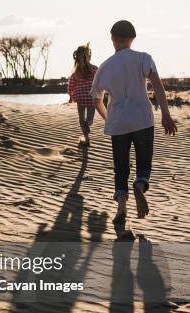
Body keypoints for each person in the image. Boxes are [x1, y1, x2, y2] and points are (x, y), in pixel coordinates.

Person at [91, 20, 177, 223]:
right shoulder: (143, 58)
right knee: (144, 164)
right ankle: (139, 186)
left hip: (118, 124)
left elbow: (96, 99)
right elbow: (157, 84)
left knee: (120, 168)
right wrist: (165, 114)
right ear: (133, 39)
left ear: (112, 38)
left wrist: (109, 118)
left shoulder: (104, 67)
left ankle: (121, 207)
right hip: (142, 120)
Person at [68, 44, 98, 146]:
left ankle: (86, 139)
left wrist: (70, 97)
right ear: (88, 56)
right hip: (91, 97)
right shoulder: (94, 69)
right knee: (90, 119)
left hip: (80, 97)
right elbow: (100, 81)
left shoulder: (76, 72)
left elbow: (71, 85)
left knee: (81, 118)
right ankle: (88, 123)